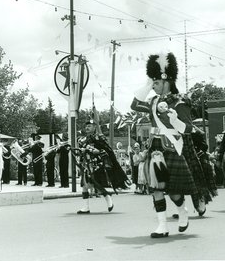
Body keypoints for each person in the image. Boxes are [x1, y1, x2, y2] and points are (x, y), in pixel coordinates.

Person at [130, 53, 198, 238]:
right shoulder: (152, 101)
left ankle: (182, 211)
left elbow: (189, 129)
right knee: (156, 188)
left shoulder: (180, 101)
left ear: (166, 81)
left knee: (174, 191)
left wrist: (175, 120)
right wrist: (146, 85)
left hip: (171, 146)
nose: (154, 87)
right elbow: (134, 105)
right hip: (155, 148)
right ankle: (162, 225)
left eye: (156, 83)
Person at [76, 119, 129, 214]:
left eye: (89, 126)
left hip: (97, 165)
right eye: (86, 126)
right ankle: (86, 207)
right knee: (84, 185)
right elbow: (80, 151)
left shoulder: (99, 138)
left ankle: (108, 199)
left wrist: (98, 151)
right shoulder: (83, 140)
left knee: (98, 185)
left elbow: (107, 151)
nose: (87, 127)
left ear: (95, 127)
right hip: (86, 165)